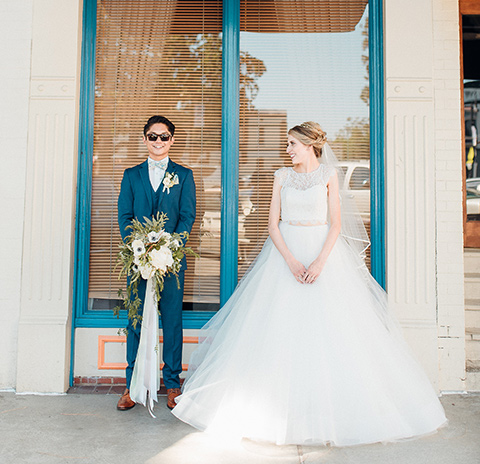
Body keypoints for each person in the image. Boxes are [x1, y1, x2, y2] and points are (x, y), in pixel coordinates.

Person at [173, 121, 447, 446]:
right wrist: (290, 260)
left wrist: (319, 262)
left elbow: (335, 225)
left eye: (292, 144)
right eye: (288, 144)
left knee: (333, 332)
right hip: (285, 256)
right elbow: (273, 225)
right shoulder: (281, 177)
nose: (287, 150)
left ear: (308, 144)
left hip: (323, 256)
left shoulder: (329, 175)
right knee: (276, 330)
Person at [116, 115, 196, 412]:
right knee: (136, 321)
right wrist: (139, 248)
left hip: (172, 262)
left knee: (172, 322)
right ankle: (131, 385)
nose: (159, 142)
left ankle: (173, 384)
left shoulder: (184, 175)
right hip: (137, 262)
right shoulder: (131, 175)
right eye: (153, 136)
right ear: (145, 139)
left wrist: (171, 247)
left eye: (164, 137)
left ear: (172, 140)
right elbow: (125, 218)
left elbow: (187, 217)